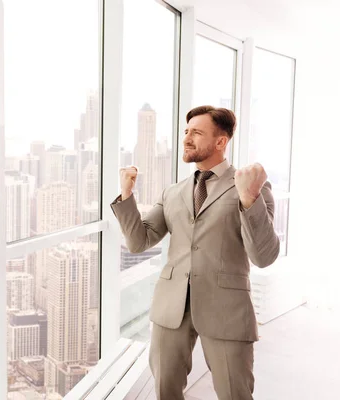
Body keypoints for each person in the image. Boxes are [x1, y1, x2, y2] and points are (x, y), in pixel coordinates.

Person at [111, 105, 280, 400]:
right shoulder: (173, 192)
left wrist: (248, 198)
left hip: (226, 307)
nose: (187, 138)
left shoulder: (251, 187)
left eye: (197, 132)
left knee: (234, 393)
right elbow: (140, 241)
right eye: (186, 131)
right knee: (166, 391)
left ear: (220, 142)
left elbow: (264, 256)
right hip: (171, 307)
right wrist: (126, 196)